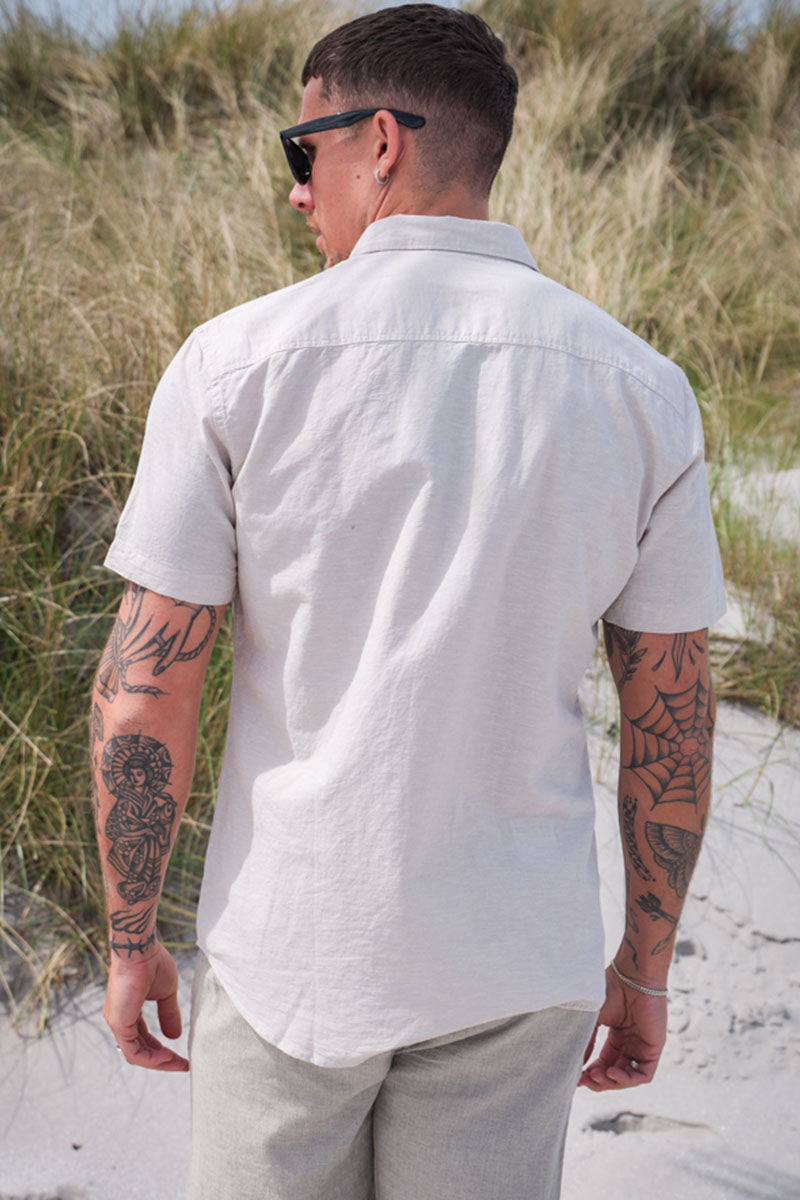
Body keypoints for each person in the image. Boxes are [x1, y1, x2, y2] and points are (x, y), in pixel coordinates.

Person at [91, 5, 726, 1198]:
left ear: (379, 141)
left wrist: (131, 944)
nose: (296, 191)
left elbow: (144, 692)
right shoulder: (640, 389)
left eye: (304, 151)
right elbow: (672, 712)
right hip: (512, 963)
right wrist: (643, 966)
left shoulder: (234, 365)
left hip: (293, 954)